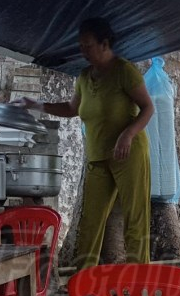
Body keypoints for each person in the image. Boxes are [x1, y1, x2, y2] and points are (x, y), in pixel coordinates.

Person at [22, 17, 154, 269]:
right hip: (97, 156)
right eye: (81, 46)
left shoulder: (124, 70)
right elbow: (72, 108)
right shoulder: (84, 76)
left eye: (88, 46)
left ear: (105, 44)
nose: (83, 51)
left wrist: (128, 134)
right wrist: (36, 105)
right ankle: (84, 277)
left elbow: (148, 108)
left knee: (135, 218)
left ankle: (138, 278)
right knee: (90, 221)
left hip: (128, 153)